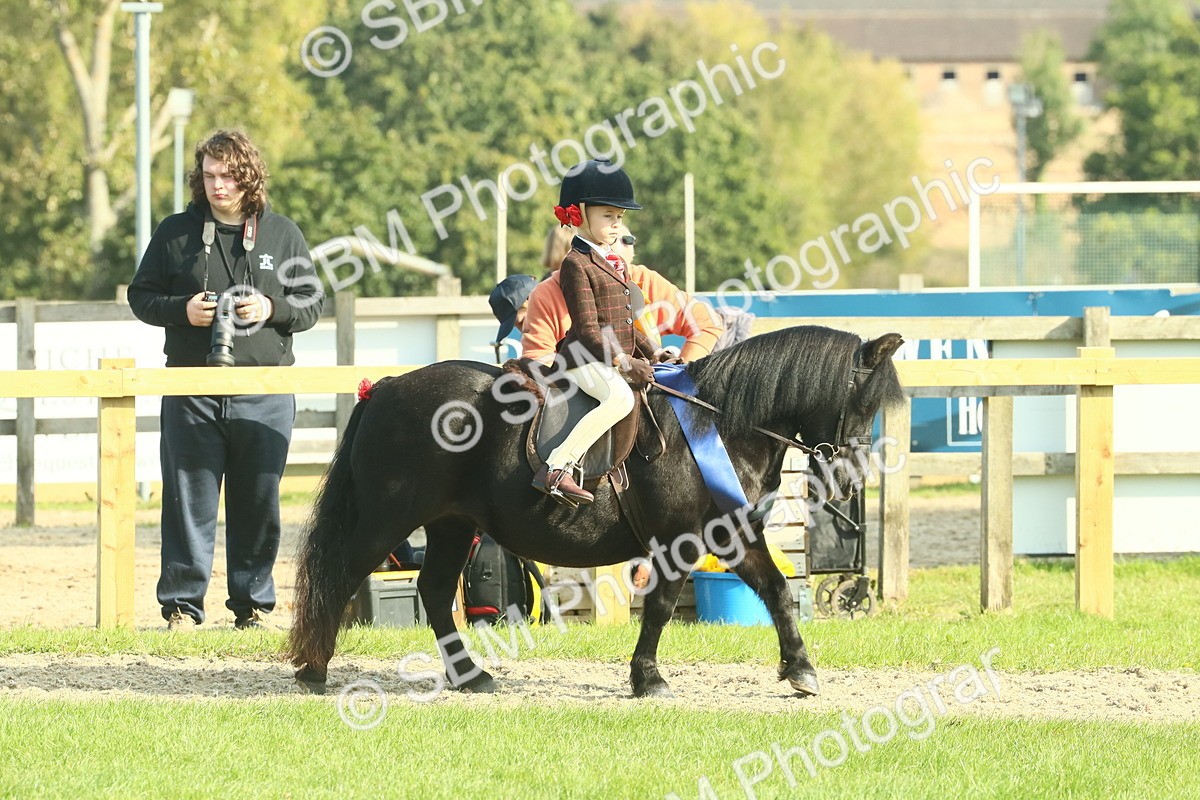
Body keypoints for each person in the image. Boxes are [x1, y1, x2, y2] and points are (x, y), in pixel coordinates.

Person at [127, 130, 324, 631]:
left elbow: (313, 303)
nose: (218, 186)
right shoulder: (175, 232)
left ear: (248, 177)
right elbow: (140, 296)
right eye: (209, 175)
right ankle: (181, 607)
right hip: (190, 390)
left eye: (229, 176)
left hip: (265, 392)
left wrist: (271, 307)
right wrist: (183, 310)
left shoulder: (282, 233)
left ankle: (252, 606)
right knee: (186, 501)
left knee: (259, 501)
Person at [530, 159, 659, 505]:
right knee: (621, 398)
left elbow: (624, 322)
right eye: (608, 216)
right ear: (580, 215)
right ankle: (557, 467)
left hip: (607, 357)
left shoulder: (613, 262)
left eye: (620, 216)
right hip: (582, 359)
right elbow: (588, 329)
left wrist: (653, 352)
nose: (616, 224)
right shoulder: (576, 264)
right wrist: (623, 361)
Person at [520, 223, 725, 366]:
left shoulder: (645, 279)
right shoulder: (545, 294)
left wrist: (682, 376)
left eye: (629, 240)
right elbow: (538, 361)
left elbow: (707, 322)